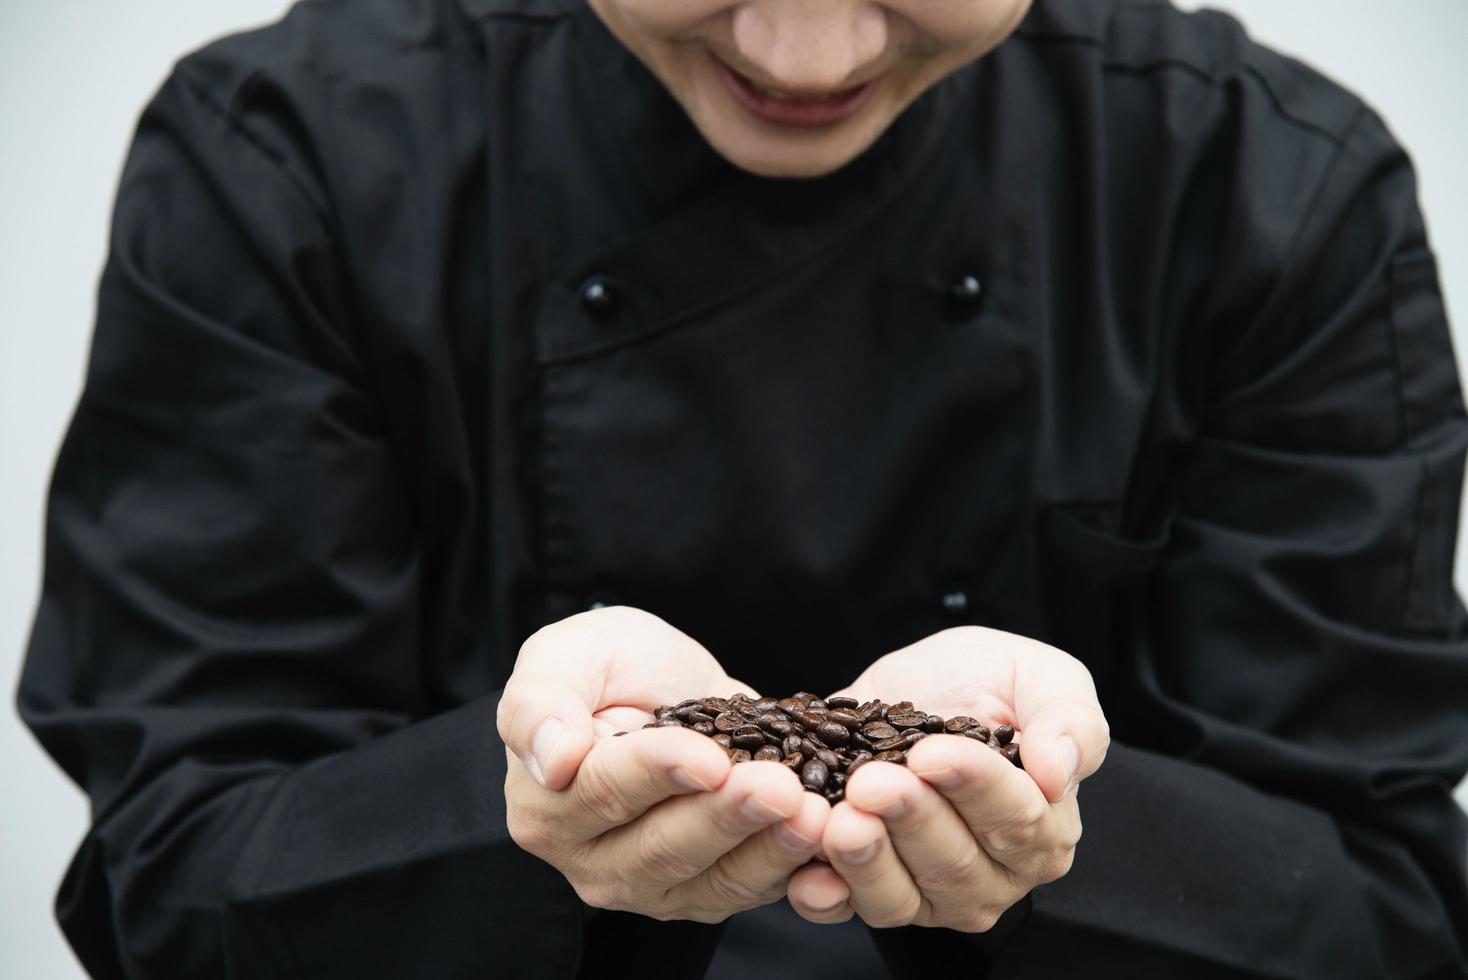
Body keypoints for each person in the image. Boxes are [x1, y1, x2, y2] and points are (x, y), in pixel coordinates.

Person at [17, 0, 1468, 976]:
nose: (807, 46)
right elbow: (171, 886)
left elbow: (1386, 917)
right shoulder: (293, 157)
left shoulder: (1269, 187)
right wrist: (521, 801)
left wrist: (1055, 823)